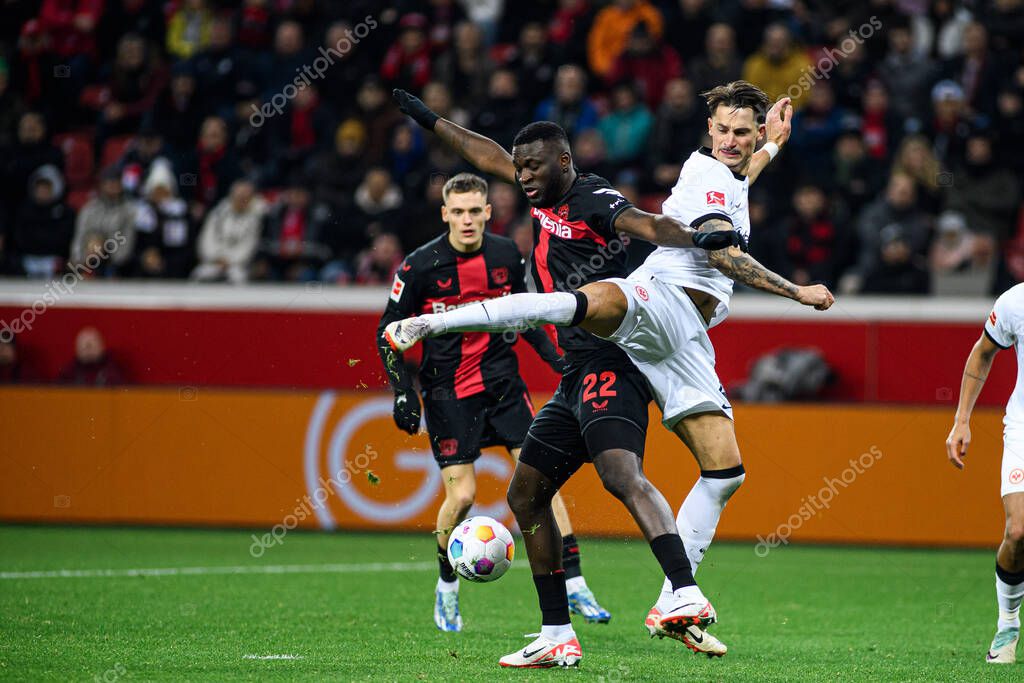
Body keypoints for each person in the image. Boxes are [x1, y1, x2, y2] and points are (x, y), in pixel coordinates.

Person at [386, 81, 833, 663]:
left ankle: (680, 595)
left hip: (646, 331)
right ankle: (560, 635)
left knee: (679, 471)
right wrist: (431, 120)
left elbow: (655, 225)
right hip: (619, 340)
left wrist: (769, 160)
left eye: (741, 133)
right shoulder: (560, 190)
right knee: (528, 494)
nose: (730, 141)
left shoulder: (604, 195)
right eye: (722, 129)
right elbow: (490, 155)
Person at [376, 172, 612, 633]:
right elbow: (388, 328)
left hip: (504, 385)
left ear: (488, 211)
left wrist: (558, 360)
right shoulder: (420, 266)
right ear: (444, 214)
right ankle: (447, 585)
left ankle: (576, 583)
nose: (466, 220)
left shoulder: (507, 255)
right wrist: (403, 390)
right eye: (457, 212)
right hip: (447, 392)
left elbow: (529, 316)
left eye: (474, 211)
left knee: (545, 477)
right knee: (462, 495)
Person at [945, 284, 1024, 664]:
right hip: (1023, 428)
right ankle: (1008, 624)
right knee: (1018, 531)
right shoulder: (1015, 302)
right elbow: (982, 354)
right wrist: (962, 420)